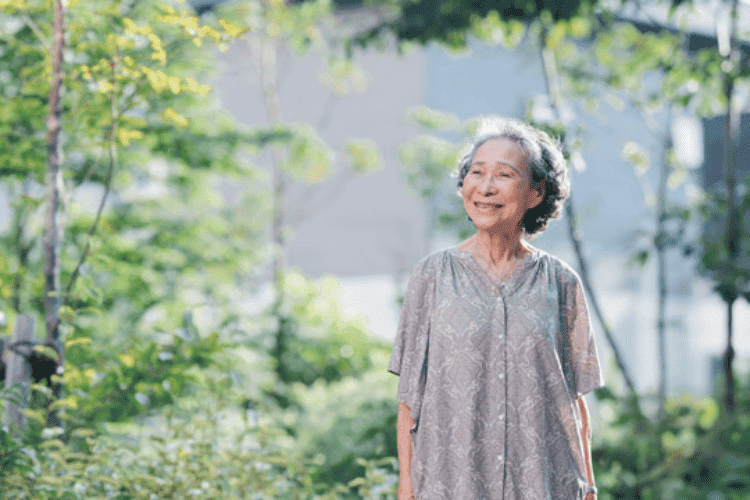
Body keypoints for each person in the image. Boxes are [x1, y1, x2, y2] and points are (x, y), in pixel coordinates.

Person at [388, 116, 604, 500]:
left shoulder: (561, 282)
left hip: (542, 484)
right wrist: (407, 487)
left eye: (504, 175)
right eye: (476, 172)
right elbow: (410, 399)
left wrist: (588, 487)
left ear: (536, 193)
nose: (486, 187)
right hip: (451, 484)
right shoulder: (432, 277)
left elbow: (574, 400)